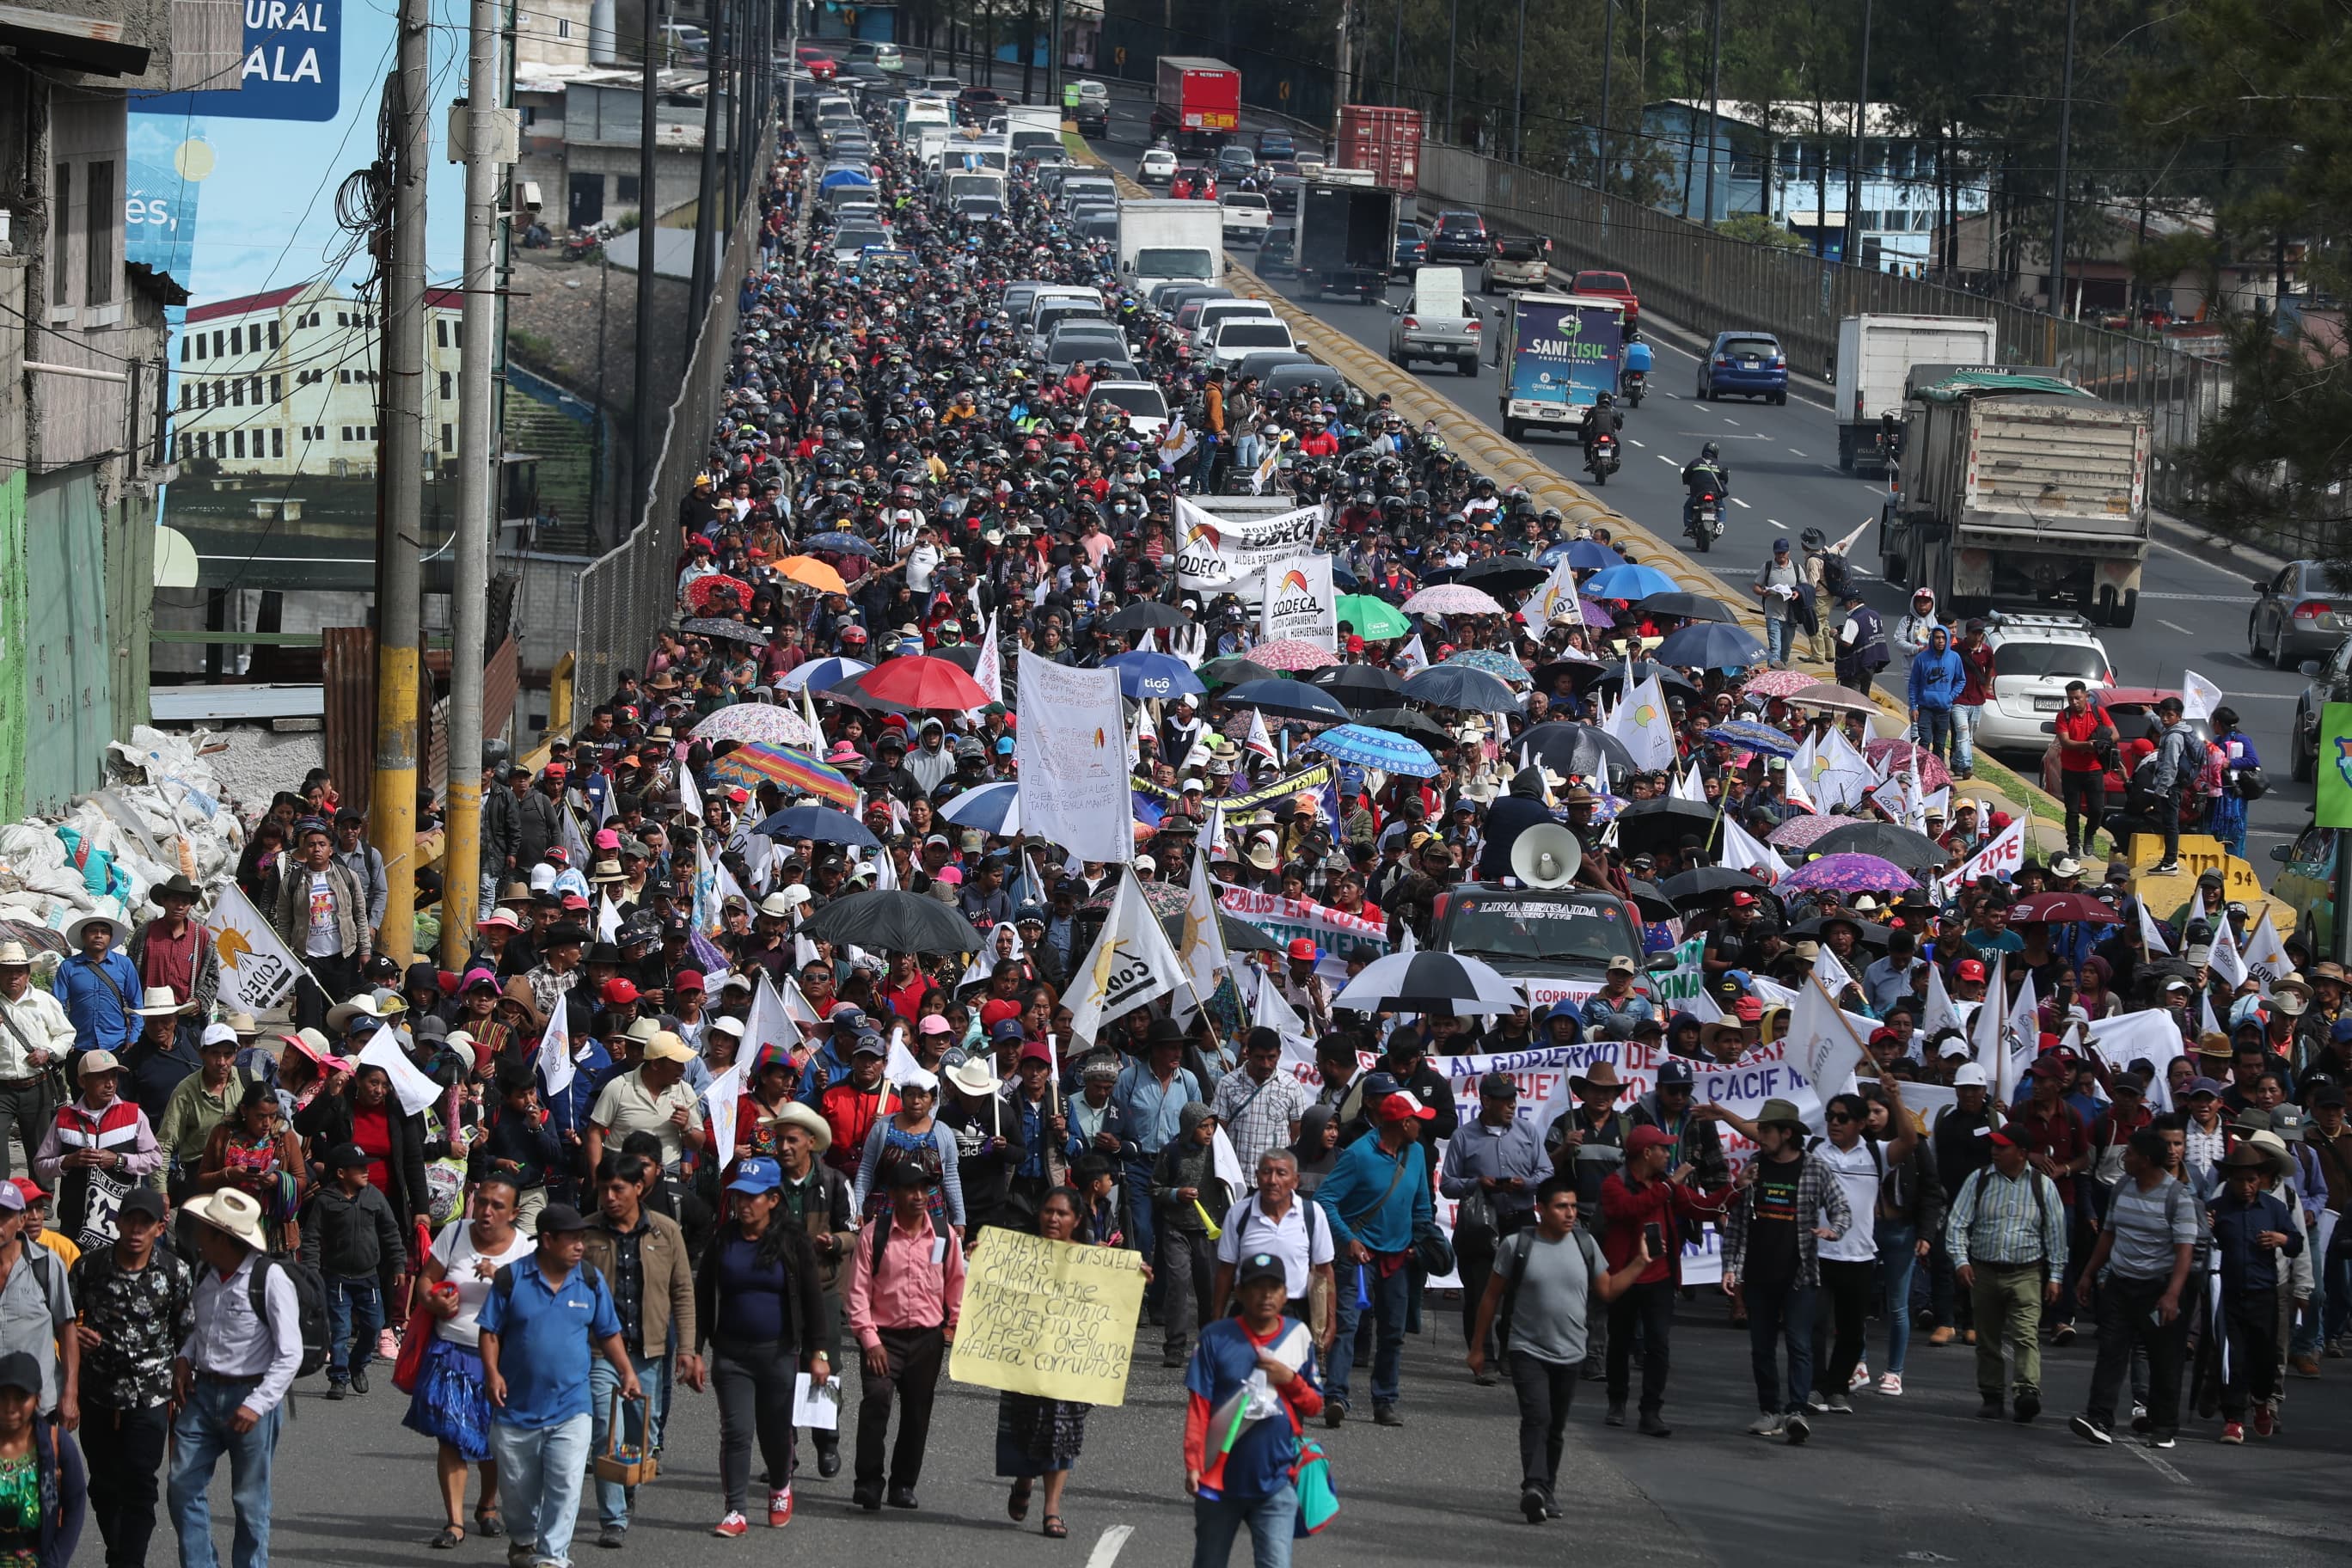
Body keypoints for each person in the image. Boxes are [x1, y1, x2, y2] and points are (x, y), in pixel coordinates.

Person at [1467, 1175, 1655, 1523]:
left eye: (1572, 1206)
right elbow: (1490, 1296)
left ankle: (1546, 1492)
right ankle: (1534, 1487)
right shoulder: (1517, 1245)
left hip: (1570, 1353)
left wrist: (1639, 1264)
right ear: (1541, 1210)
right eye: (1561, 1207)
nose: (1570, 1213)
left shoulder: (1585, 1245)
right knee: (1537, 1417)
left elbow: (1609, 1290)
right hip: (1526, 1349)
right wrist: (1479, 1348)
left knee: (1555, 1426)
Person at [477, 1204, 643, 1568]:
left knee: (566, 1485)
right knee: (518, 1491)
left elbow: (608, 1332)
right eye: (572, 1239)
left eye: (583, 1238)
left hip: (572, 1406)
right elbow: (490, 1332)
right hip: (514, 1409)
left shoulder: (589, 1280)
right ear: (548, 1240)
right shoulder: (511, 1279)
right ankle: (523, 1540)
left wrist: (627, 1372)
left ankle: (553, 1557)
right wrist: (492, 1373)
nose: (580, 1246)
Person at [693, 1154, 826, 1538]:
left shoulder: (793, 1240)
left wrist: (819, 1354)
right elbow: (703, 1298)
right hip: (731, 1355)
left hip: (779, 1353)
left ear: (773, 1199)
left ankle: (780, 1485)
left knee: (775, 1431)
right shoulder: (724, 1240)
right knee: (736, 1432)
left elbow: (813, 1301)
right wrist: (694, 1350)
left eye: (753, 1197)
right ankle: (735, 1509)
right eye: (738, 1196)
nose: (743, 1204)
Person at [168, 1188, 302, 1568]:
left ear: (223, 1238)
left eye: (206, 1231)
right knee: (182, 1487)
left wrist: (257, 1405)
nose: (196, 1237)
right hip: (203, 1392)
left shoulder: (270, 1277)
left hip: (250, 1396)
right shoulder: (204, 1270)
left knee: (249, 1502)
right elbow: (203, 1328)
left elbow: (289, 1352)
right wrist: (184, 1357)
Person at [404, 1175, 533, 1549]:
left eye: (497, 1206)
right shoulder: (455, 1235)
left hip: (500, 1360)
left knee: (493, 1440)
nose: (487, 1212)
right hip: (450, 1352)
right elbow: (427, 1281)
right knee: (450, 1437)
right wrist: (433, 1301)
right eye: (483, 1202)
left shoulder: (524, 1250)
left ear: (514, 1213)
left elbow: (533, 1306)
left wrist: (502, 1280)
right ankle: (455, 1521)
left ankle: (488, 1506)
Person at [579, 1149, 700, 1548]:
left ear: (639, 1188)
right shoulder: (586, 1233)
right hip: (600, 1353)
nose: (610, 1197)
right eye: (603, 1189)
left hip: (648, 1351)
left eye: (618, 1189)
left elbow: (683, 1292)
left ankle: (627, 1483)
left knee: (641, 1435)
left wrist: (687, 1348)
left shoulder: (666, 1232)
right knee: (604, 1431)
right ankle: (612, 1518)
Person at [1720, 1098, 1854, 1442]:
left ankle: (1796, 1411)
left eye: (1767, 1130)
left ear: (1787, 1133)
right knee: (1761, 1347)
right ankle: (1770, 1412)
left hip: (1800, 1274)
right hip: (1759, 1274)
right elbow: (1735, 1222)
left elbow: (1841, 1208)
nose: (1760, 1136)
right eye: (1760, 1129)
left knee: (1799, 1343)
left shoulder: (1814, 1168)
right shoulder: (1754, 1165)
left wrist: (1833, 1230)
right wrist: (1730, 1267)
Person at [69, 1183, 187, 1568]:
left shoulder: (175, 1272)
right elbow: (62, 1320)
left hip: (150, 1395)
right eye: (130, 1221)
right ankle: (118, 1551)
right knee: (103, 1485)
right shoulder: (90, 1266)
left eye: (146, 1223)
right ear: (117, 1223)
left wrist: (185, 1394)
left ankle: (128, 1562)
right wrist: (75, 1335)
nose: (136, 1231)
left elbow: (188, 1336)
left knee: (139, 1482)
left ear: (159, 1227)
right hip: (97, 1391)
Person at [1183, 1252, 1323, 1568]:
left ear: (1286, 1294)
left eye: (1273, 1288)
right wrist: (1193, 1464)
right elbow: (1199, 1408)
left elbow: (1315, 1405)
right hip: (1218, 1484)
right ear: (1240, 1292)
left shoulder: (1298, 1336)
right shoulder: (1214, 1338)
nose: (1265, 1295)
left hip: (1276, 1482)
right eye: (1256, 1287)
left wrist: (1289, 1379)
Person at [843, 1150, 965, 1511]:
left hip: (927, 1340)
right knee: (876, 1403)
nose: (917, 1196)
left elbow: (956, 1282)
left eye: (923, 1189)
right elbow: (857, 1294)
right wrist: (869, 1341)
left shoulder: (943, 1236)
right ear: (892, 1194)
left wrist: (952, 1328)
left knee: (917, 1412)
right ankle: (868, 1482)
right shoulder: (873, 1235)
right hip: (882, 1338)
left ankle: (903, 1485)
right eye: (909, 1189)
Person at [1313, 1088, 1436, 1428]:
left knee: (1393, 1331)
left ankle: (1384, 1401)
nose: (1421, 1127)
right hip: (1359, 1256)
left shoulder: (1417, 1153)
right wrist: (1348, 1240)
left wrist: (1419, 1244)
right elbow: (1325, 1200)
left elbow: (1423, 1207)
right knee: (1348, 1326)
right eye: (1417, 1120)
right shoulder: (1358, 1155)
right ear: (1401, 1122)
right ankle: (1336, 1396)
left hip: (1398, 1258)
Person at [2070, 1127, 2197, 1449]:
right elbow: (2109, 1234)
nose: (2124, 1158)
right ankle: (2099, 1419)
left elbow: (2185, 1251)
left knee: (2163, 1356)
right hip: (2120, 1286)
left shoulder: (2177, 1197)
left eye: (2131, 1154)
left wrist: (2172, 1295)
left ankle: (2164, 1426)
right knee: (2111, 1351)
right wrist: (2088, 1274)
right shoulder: (2123, 1187)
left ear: (2147, 1161)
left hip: (2158, 1291)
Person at [1597, 1123, 1724, 1435]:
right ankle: (1617, 1401)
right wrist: (1669, 1187)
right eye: (1663, 1149)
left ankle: (1651, 1411)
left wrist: (1734, 1191)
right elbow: (1629, 1209)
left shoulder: (1666, 1185)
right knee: (1620, 1343)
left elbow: (1699, 1206)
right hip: (1626, 1277)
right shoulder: (1616, 1184)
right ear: (1646, 1153)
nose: (1668, 1154)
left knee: (1659, 1345)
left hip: (1660, 1277)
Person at [996, 1186, 1103, 1540]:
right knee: (1027, 1425)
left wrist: (1135, 1276)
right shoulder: (1020, 1253)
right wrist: (983, 1259)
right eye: (1048, 1211)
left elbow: (1111, 1304)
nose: (1053, 1218)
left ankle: (1052, 1509)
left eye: (1062, 1214)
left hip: (1070, 1364)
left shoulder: (1092, 1259)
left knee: (1064, 1430)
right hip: (1026, 1358)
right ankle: (1024, 1480)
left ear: (1077, 1220)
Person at [1945, 1128, 2068, 1421]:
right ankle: (1992, 1396)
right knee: (1987, 1339)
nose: (1995, 1151)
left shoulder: (2043, 1185)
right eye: (1994, 1147)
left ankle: (2027, 1392)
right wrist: (1961, 1261)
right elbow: (1957, 1223)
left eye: (2003, 1147)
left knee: (2026, 1335)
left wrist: (2056, 1276)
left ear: (2022, 1153)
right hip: (1983, 1272)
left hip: (2026, 1273)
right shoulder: (1979, 1180)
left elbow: (2055, 1233)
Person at [1440, 1071, 1545, 1377]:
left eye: (1514, 1098)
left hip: (1520, 1219)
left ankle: (1511, 1353)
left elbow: (1546, 1171)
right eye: (1504, 1099)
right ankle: (1482, 1355)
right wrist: (1477, 1183)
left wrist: (1525, 1183)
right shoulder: (1464, 1136)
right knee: (1479, 1292)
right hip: (1480, 1222)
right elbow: (1448, 1184)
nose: (1512, 1104)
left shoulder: (1527, 1132)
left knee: (1518, 1292)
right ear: (1486, 1101)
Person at [297, 1141, 407, 1399]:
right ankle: (338, 1377)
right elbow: (311, 1238)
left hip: (369, 1277)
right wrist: (312, 1271)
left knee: (373, 1326)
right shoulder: (325, 1200)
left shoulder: (374, 1196)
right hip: (337, 1278)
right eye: (359, 1168)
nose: (366, 1172)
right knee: (340, 1328)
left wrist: (398, 1264)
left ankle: (358, 1365)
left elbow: (391, 1232)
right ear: (341, 1173)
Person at [2208, 1141, 2302, 1441]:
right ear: (2230, 1180)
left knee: (2264, 1358)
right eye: (2240, 1180)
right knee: (2231, 1357)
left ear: (2261, 1180)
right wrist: (2205, 1227)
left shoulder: (2274, 1208)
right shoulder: (2217, 1208)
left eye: (2252, 1180)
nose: (2247, 1186)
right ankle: (2234, 1418)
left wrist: (2281, 1240)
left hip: (2265, 1294)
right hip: (2229, 1294)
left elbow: (2297, 1242)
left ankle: (2261, 1402)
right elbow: (2199, 1246)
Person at [1211, 1148, 1334, 1340]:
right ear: (1257, 1177)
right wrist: (1216, 1321)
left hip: (1295, 1313)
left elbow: (1325, 1270)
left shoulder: (1312, 1214)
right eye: (1266, 1172)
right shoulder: (1238, 1214)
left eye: (1281, 1173)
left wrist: (1330, 1324)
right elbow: (1226, 1270)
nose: (1273, 1181)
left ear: (1295, 1180)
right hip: (1247, 1312)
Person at [271, 821, 371, 1032]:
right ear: (303, 849)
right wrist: (286, 955)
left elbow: (359, 915)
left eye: (322, 844)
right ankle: (308, 1055)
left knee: (337, 1012)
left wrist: (365, 950)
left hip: (341, 955)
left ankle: (335, 1056)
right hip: (307, 957)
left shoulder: (347, 877)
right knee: (307, 1013)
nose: (317, 849)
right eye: (311, 844)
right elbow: (284, 921)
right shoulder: (292, 881)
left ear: (330, 849)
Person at [1155, 1103, 1234, 1368]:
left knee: (1209, 1289)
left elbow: (1231, 1184)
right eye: (1203, 1127)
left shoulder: (1219, 1153)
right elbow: (1154, 1188)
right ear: (1190, 1127)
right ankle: (1175, 1347)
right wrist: (1176, 1194)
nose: (1209, 1132)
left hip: (1208, 1232)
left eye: (1212, 1126)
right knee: (1177, 1284)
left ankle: (1208, 1344)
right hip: (1176, 1228)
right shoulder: (1171, 1152)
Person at [0, 1348, 83, 1567]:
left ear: (37, 1399)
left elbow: (75, 1506)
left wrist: (54, 1562)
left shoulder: (57, 1444)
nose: (10, 1408)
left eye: (20, 1398)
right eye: (2, 1397)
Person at [0, 942, 71, 1181]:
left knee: (40, 1147)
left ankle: (41, 1202)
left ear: (28, 974)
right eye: (7, 971)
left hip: (37, 1085)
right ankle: (3, 1203)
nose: (13, 977)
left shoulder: (44, 1001)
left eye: (18, 971)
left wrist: (48, 1053)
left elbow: (66, 1034)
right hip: (2, 1089)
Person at [2145, 695, 2199, 876]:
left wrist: (2161, 789)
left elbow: (2170, 765)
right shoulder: (2176, 730)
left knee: (2170, 824)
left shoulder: (2174, 737)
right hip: (2174, 786)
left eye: (2169, 715)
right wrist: (2150, 715)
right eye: (2162, 714)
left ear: (2179, 716)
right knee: (2169, 822)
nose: (2165, 719)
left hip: (2171, 788)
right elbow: (2162, 727)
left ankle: (2170, 862)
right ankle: (2169, 860)